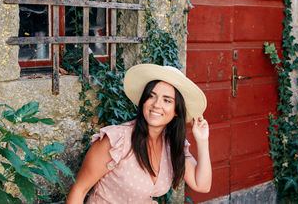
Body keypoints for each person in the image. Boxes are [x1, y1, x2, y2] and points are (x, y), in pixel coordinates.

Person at [66, 64, 212, 203]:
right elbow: (79, 189)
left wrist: (202, 140)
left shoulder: (171, 144)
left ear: (176, 111)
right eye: (151, 96)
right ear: (143, 100)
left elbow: (202, 185)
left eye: (167, 100)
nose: (156, 104)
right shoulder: (117, 140)